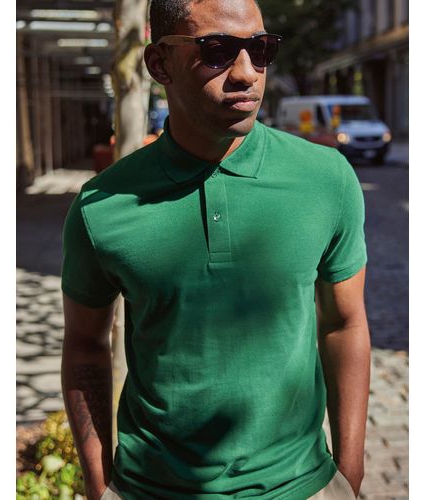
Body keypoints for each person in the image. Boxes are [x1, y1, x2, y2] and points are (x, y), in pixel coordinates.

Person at [60, 0, 371, 498]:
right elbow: (84, 344)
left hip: (301, 485)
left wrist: (349, 474)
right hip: (151, 489)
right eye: (218, 50)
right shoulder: (102, 206)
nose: (246, 73)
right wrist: (99, 483)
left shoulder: (326, 179)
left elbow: (344, 322)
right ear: (159, 63)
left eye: (260, 49)